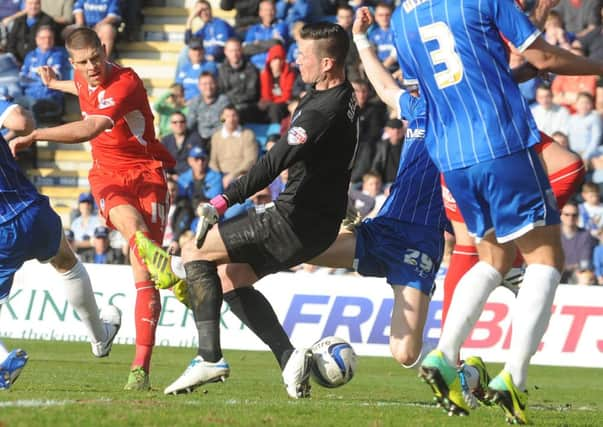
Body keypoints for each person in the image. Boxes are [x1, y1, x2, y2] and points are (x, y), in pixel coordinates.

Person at [391, 1, 603, 423]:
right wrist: (596, 65)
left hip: (451, 156)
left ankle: (445, 356)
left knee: (495, 258)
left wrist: (519, 74)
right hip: (501, 142)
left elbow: (439, 83)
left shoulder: (400, 19)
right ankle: (515, 378)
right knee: (546, 260)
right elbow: (540, 54)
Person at [134, 22, 359, 399]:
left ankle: (209, 357)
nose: (295, 60)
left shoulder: (321, 112)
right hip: (316, 226)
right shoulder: (342, 94)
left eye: (303, 55)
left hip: (292, 220)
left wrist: (222, 201)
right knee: (231, 277)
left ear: (327, 64)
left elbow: (270, 165)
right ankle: (289, 360)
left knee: (195, 250)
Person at [9, 27, 176, 391]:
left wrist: (37, 134)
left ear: (105, 50)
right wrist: (57, 86)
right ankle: (144, 246)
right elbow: (84, 90)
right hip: (108, 174)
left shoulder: (126, 81)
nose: (92, 67)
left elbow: (89, 127)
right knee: (133, 230)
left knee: (144, 278)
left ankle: (140, 367)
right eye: (83, 63)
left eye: (96, 59)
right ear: (73, 62)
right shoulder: (81, 76)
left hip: (147, 173)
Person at [0, 132, 121, 390]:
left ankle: (2, 363)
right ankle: (100, 338)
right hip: (34, 211)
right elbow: (20, 119)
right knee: (67, 264)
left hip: (2, 230)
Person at [18, 25, 69, 125]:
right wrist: (39, 77)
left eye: (50, 37)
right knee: (11, 108)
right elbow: (22, 78)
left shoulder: (59, 54)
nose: (47, 40)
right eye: (43, 38)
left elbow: (53, 78)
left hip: (50, 95)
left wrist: (33, 79)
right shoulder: (30, 55)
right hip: (29, 95)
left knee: (35, 106)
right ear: (37, 39)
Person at [208, 105, 258, 189]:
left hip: (241, 174)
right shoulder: (216, 136)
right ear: (222, 119)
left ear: (238, 117)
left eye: (234, 115)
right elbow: (213, 160)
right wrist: (218, 176)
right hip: (221, 175)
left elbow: (250, 160)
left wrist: (232, 175)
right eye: (227, 116)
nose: (231, 119)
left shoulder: (247, 134)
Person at [217, 38, 261, 124]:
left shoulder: (250, 69)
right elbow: (220, 90)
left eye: (237, 50)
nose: (234, 54)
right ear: (225, 52)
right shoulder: (222, 69)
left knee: (233, 113)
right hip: (226, 104)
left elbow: (252, 93)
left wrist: (231, 99)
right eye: (231, 51)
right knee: (218, 112)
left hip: (246, 105)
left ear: (241, 51)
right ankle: (220, 133)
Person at [186, 71, 231, 148]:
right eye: (204, 84)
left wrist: (220, 122)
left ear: (216, 84)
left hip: (219, 136)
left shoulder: (223, 101)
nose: (208, 87)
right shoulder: (195, 101)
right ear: (199, 86)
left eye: (211, 83)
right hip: (200, 138)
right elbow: (190, 123)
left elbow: (224, 120)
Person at [243, 0, 289, 70]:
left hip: (274, 68)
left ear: (276, 11)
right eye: (266, 10)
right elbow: (247, 49)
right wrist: (268, 44)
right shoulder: (253, 29)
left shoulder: (281, 25)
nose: (269, 13)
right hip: (254, 67)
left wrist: (257, 43)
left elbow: (276, 43)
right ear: (260, 13)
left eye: (271, 10)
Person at [7, 0, 55, 64]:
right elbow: (11, 41)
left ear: (40, 4)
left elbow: (45, 44)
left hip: (36, 62)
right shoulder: (18, 20)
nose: (33, 6)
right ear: (25, 5)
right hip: (16, 61)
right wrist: (14, 59)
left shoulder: (48, 21)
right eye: (30, 3)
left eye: (36, 3)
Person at [161, 111, 204, 177]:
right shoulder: (165, 140)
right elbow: (162, 162)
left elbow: (198, 161)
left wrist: (182, 177)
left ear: (186, 123)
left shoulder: (195, 138)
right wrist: (170, 176)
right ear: (170, 124)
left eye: (182, 121)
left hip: (191, 177)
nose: (179, 125)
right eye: (175, 122)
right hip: (171, 177)